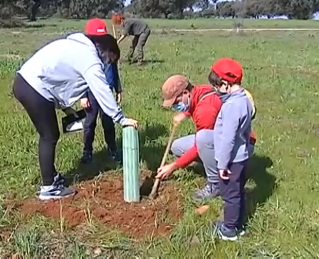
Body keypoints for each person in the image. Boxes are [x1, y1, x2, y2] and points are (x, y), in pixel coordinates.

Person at [12, 19, 138, 201]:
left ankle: (52, 177)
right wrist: (120, 118)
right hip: (33, 87)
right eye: (109, 60)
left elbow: (57, 79)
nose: (106, 64)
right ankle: (48, 188)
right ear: (104, 50)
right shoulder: (90, 58)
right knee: (49, 136)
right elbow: (101, 88)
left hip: (24, 82)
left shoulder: (75, 46)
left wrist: (67, 109)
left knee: (49, 134)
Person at [208, 58, 254, 241]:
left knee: (230, 195)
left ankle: (228, 230)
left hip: (231, 160)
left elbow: (228, 139)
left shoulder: (232, 106)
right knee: (238, 192)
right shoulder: (244, 99)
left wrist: (222, 164)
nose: (215, 91)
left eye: (216, 87)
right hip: (240, 156)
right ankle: (238, 225)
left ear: (226, 84)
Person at [157, 75, 222, 201]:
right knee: (177, 146)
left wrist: (174, 166)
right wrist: (185, 113)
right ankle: (212, 164)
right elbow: (195, 102)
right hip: (218, 138)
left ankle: (216, 183)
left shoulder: (205, 111)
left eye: (176, 102)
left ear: (186, 92)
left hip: (237, 146)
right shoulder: (198, 91)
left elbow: (200, 145)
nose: (175, 106)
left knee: (202, 139)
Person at [80, 19, 123, 164]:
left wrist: (118, 89)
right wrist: (83, 95)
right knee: (90, 123)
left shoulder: (110, 48)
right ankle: (87, 152)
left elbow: (114, 70)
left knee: (108, 121)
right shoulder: (86, 51)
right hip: (90, 91)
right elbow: (80, 76)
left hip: (107, 90)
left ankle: (113, 150)